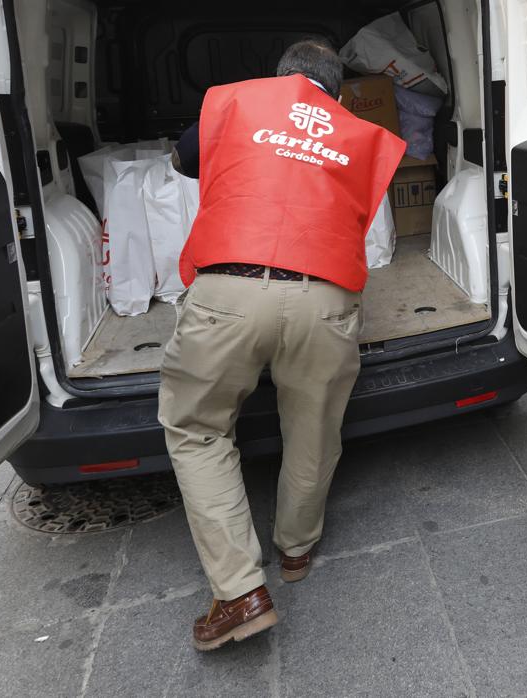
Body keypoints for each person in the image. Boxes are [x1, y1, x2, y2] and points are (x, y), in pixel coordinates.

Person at [159, 39, 406, 651]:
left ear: (279, 77)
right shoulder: (361, 133)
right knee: (315, 425)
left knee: (198, 429)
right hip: (324, 297)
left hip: (229, 291)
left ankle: (240, 591)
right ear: (339, 90)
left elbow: (186, 162)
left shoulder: (235, 103)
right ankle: (296, 550)